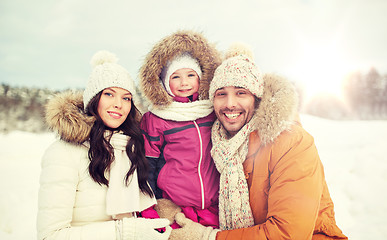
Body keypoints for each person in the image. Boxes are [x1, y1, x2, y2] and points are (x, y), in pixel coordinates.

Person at [167, 44, 348, 239]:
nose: (230, 104)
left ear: (256, 98)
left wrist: (210, 237)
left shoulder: (291, 142)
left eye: (240, 93)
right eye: (221, 94)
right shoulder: (218, 144)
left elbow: (288, 234)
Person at [37, 50, 171, 240]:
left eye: (126, 98)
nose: (119, 104)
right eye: (109, 94)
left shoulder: (130, 149)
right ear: (93, 99)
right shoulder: (64, 153)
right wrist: (122, 232)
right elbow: (49, 235)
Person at [139, 30, 221, 229]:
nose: (184, 83)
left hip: (214, 207)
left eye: (191, 75)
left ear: (201, 78)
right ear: (165, 83)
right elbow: (147, 165)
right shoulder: (157, 118)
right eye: (176, 77)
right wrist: (151, 204)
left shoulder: (212, 111)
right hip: (175, 207)